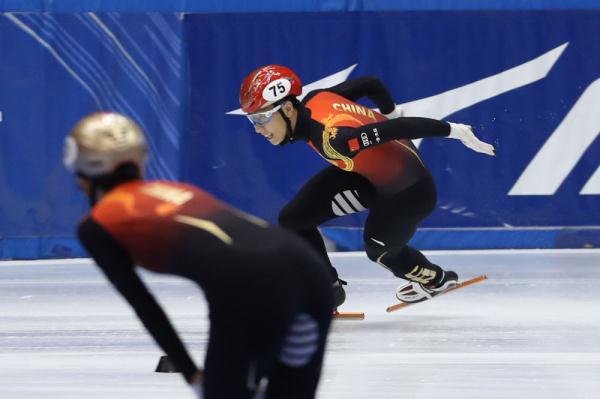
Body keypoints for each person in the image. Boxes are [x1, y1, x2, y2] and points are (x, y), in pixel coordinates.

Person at [64, 112, 333, 399]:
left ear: (83, 170)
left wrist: (191, 373)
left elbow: (145, 306)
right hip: (307, 269)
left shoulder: (96, 225)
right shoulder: (176, 190)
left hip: (251, 286)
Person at [238, 65, 495, 306]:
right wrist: (389, 111)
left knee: (380, 253)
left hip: (409, 193)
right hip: (368, 177)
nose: (259, 129)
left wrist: (456, 131)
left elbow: (399, 128)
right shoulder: (316, 99)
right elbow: (370, 83)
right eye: (253, 121)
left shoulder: (332, 139)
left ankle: (436, 278)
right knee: (293, 219)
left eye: (261, 119)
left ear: (288, 109)